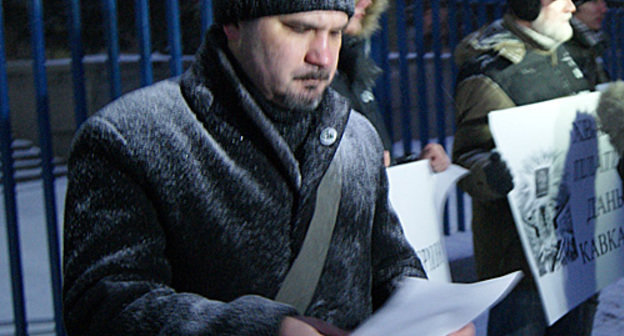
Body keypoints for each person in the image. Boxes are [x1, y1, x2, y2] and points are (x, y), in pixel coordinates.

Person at [62, 0, 474, 335]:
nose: (323, 56)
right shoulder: (130, 138)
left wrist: (431, 317)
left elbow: (389, 264)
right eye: (298, 28)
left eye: (334, 31)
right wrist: (260, 329)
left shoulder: (357, 136)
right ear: (235, 24)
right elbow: (104, 306)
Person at [452, 0, 598, 335]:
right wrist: (493, 173)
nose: (573, 7)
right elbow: (468, 157)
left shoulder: (572, 55)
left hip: (577, 254)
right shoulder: (491, 68)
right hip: (522, 266)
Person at [331, 0, 451, 170]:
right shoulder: (312, 77)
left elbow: (379, 164)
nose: (366, 2)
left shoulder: (350, 66)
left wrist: (416, 167)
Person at [565, 0, 610, 88]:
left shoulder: (605, 35)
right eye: (594, 2)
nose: (603, 9)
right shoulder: (565, 45)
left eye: (604, 2)